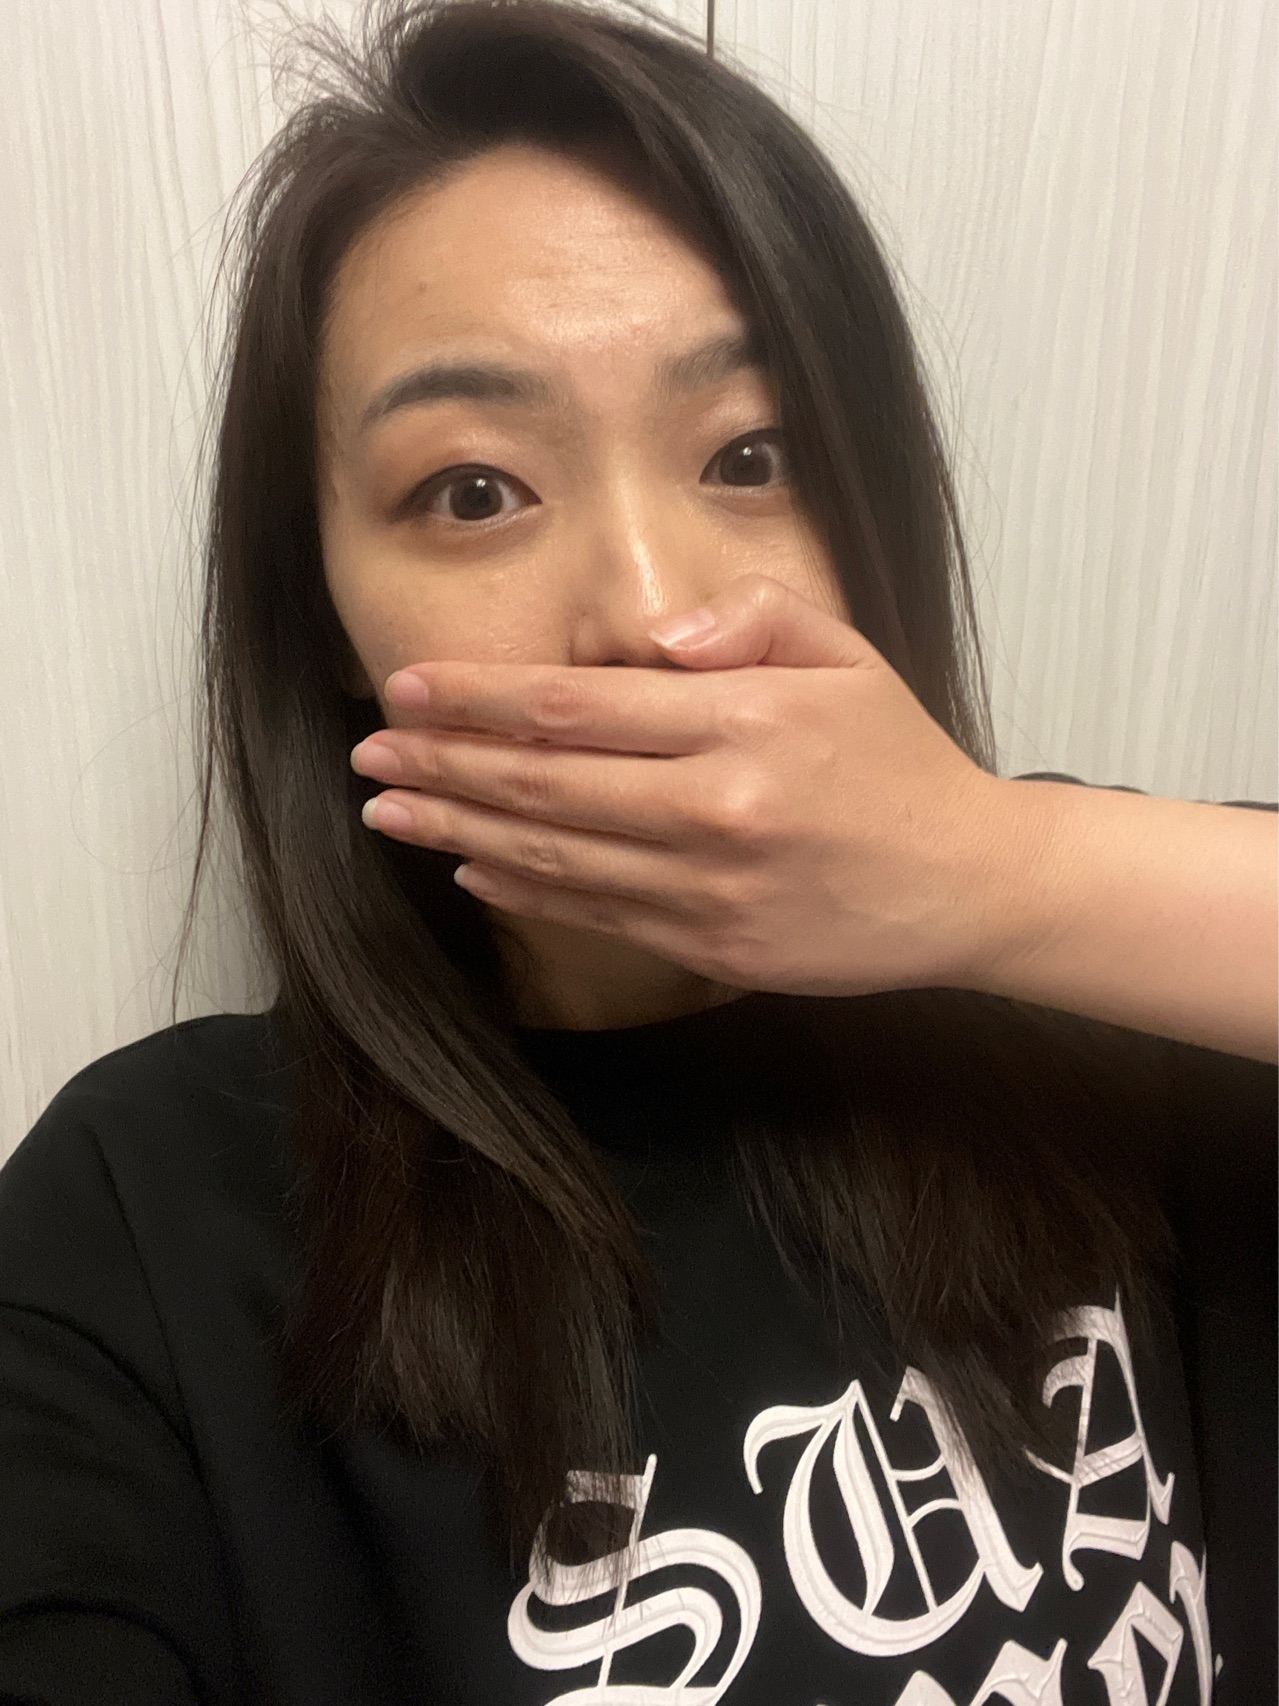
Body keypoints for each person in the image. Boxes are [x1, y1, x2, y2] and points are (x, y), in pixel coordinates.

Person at [1, 2, 1274, 1702]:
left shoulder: (1097, 976)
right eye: (474, 490)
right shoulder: (142, 1220)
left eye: (751, 456)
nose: (655, 618)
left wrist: (1004, 871)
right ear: (326, 621)